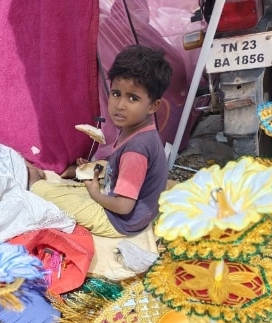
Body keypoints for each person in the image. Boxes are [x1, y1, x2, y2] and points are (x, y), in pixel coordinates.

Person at [29, 44, 172, 238]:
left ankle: (40, 182)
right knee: (99, 167)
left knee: (39, 187)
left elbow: (123, 206)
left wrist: (95, 194)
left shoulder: (136, 150)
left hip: (118, 222)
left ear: (153, 106)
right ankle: (77, 176)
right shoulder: (138, 130)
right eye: (116, 94)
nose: (120, 105)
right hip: (131, 208)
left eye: (133, 98)